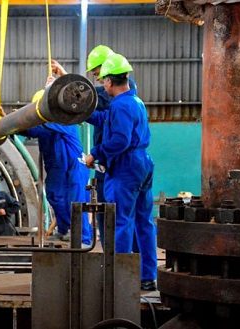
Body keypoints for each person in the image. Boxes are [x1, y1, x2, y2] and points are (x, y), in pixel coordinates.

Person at [83, 53, 157, 291]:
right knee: (144, 222)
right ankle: (147, 276)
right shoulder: (134, 101)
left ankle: (121, 279)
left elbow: (119, 141)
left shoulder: (121, 105)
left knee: (121, 222)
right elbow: (105, 118)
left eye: (101, 78)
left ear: (107, 81)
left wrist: (95, 153)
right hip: (143, 163)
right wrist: (83, 112)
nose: (101, 83)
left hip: (126, 166)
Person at [51, 45, 138, 244]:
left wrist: (96, 152)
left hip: (117, 160)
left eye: (99, 74)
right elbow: (93, 105)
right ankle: (113, 256)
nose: (99, 78)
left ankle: (123, 260)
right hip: (106, 160)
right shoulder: (117, 101)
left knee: (119, 214)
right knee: (105, 210)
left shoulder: (124, 93)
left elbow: (93, 100)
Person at [18, 90, 92, 247]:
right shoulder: (44, 127)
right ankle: (65, 230)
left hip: (74, 166)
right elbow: (31, 130)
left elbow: (34, 129)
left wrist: (16, 123)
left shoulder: (64, 122)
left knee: (77, 201)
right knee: (54, 196)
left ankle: (84, 238)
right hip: (56, 168)